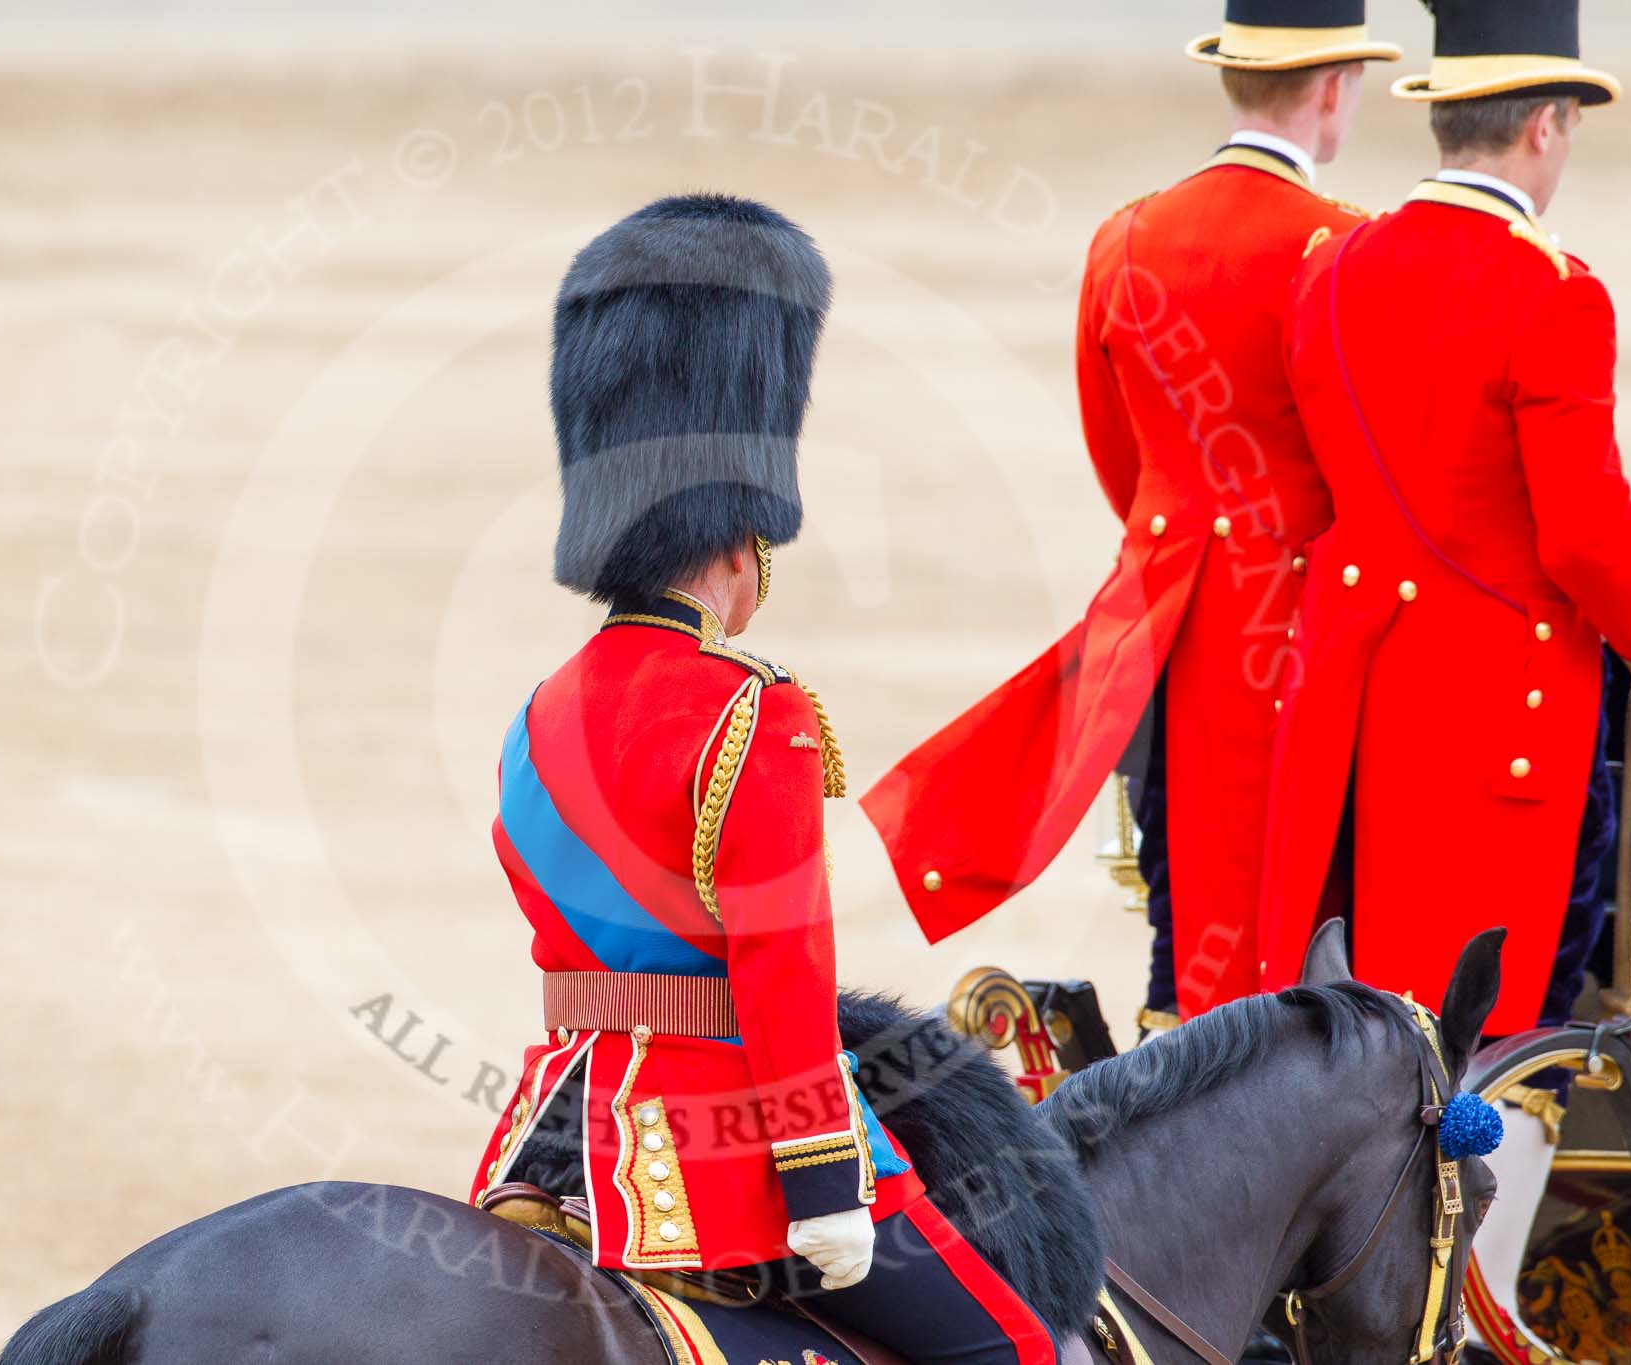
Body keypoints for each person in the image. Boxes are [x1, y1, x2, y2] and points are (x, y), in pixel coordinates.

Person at [468, 194, 1058, 1364]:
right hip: (725, 1147)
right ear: (745, 547)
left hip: (556, 1131)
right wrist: (825, 1178)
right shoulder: (754, 710)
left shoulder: (538, 711)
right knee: (1015, 1351)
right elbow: (783, 971)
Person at [1257, 2, 1631, 1346]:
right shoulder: (1547, 289)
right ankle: (1459, 1307)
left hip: (1356, 686)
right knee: (1490, 1033)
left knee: (1369, 1004)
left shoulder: (1336, 267)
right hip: (1499, 711)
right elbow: (1584, 531)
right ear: (1546, 124)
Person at [860, 0, 1400, 1027]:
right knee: (1298, 921)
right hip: (1286, 638)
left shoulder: (1129, 232)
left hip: (1155, 624)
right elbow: (1366, 470)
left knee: (1174, 909)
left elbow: (1119, 456)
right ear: (1333, 89)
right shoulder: (1339, 247)